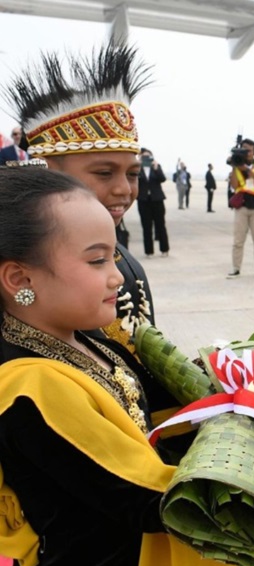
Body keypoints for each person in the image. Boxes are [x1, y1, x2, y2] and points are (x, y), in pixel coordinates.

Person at [0, 167, 254, 566]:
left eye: (114, 255)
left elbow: (145, 421)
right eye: (96, 260)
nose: (116, 276)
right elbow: (153, 501)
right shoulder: (32, 386)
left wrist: (237, 405)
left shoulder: (85, 339)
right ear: (20, 278)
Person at [3, 43, 155, 350]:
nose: (124, 190)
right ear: (44, 172)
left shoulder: (126, 261)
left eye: (133, 174)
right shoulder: (21, 271)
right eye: (103, 173)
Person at [226, 138, 254, 278]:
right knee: (238, 240)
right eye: (244, 150)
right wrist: (234, 166)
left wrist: (247, 169)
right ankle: (236, 268)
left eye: (249, 150)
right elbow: (234, 186)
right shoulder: (237, 166)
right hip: (242, 207)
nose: (247, 153)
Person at [137, 147, 170, 258]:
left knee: (160, 225)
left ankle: (164, 249)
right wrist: (137, 165)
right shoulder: (137, 168)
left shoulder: (156, 167)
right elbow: (134, 179)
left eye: (148, 157)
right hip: (143, 200)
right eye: (144, 157)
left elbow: (162, 179)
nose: (146, 159)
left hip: (157, 200)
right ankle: (149, 251)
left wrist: (156, 168)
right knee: (146, 227)